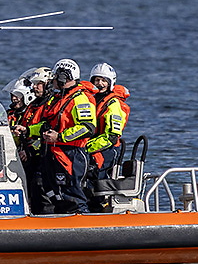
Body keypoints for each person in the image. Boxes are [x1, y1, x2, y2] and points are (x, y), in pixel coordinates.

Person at [38, 58, 97, 214]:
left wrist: (60, 137)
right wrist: (27, 130)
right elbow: (48, 123)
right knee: (56, 194)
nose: (53, 80)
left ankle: (84, 224)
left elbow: (87, 127)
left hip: (72, 154)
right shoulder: (59, 98)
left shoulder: (80, 99)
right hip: (55, 153)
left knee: (72, 194)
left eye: (56, 76)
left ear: (64, 76)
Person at [84, 62, 131, 211]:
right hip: (93, 145)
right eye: (96, 80)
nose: (100, 84)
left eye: (104, 80)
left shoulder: (113, 104)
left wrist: (87, 148)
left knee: (94, 175)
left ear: (110, 83)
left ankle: (99, 206)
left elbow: (111, 136)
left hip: (106, 148)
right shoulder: (90, 100)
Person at [11, 67, 53, 214]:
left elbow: (46, 131)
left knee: (41, 188)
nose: (35, 87)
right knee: (31, 189)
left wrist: (29, 150)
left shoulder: (49, 104)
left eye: (38, 84)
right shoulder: (34, 105)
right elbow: (29, 130)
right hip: (30, 155)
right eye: (34, 84)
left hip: (44, 155)